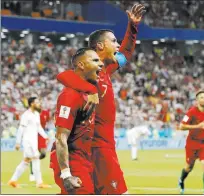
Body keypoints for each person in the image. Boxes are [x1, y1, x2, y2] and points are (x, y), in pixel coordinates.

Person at [56, 3, 145, 194]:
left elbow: (126, 52)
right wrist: (89, 88)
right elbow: (64, 76)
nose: (117, 45)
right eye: (114, 41)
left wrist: (133, 26)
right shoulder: (89, 72)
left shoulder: (107, 68)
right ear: (100, 46)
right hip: (97, 148)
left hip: (103, 146)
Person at [50, 48, 103, 194]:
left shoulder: (89, 90)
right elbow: (61, 137)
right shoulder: (70, 96)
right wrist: (66, 174)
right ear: (81, 65)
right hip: (73, 161)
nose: (101, 64)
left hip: (86, 159)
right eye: (95, 60)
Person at [8, 97, 51, 188]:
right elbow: (21, 129)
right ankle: (39, 183)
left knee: (28, 161)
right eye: (37, 102)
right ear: (32, 104)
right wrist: (18, 142)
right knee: (33, 159)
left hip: (34, 142)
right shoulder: (26, 115)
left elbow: (39, 127)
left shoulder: (36, 114)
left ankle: (13, 180)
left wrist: (45, 136)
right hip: (27, 142)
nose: (39, 103)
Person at [178, 91, 204, 195]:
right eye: (202, 97)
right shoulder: (191, 112)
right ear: (197, 101)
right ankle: (181, 180)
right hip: (192, 144)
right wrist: (197, 126)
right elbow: (181, 126)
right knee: (189, 167)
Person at [30, 109, 50, 182]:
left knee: (43, 153)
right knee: (35, 153)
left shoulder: (46, 112)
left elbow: (47, 121)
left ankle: (33, 161)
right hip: (34, 134)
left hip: (41, 134)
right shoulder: (32, 113)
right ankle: (32, 173)